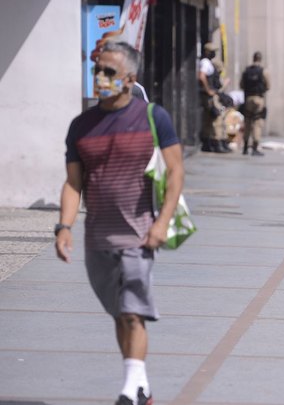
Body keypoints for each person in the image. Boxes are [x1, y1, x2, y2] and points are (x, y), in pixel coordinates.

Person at [55, 41, 184, 404]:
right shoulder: (81, 126)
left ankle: (129, 391)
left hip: (139, 233)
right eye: (97, 70)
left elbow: (175, 172)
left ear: (130, 78)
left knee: (132, 311)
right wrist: (63, 227)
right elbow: (72, 183)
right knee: (119, 314)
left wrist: (161, 223)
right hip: (98, 239)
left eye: (108, 71)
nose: (100, 77)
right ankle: (141, 387)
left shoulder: (152, 117)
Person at [198, 42, 231, 153]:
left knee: (208, 119)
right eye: (212, 51)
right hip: (209, 96)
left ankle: (207, 143)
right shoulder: (205, 63)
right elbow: (201, 76)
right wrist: (208, 90)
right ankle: (217, 143)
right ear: (207, 51)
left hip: (208, 95)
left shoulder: (207, 62)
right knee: (217, 118)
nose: (214, 53)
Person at [240, 51, 270, 156]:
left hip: (248, 99)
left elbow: (241, 85)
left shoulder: (247, 71)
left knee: (247, 122)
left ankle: (245, 147)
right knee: (257, 123)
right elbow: (268, 86)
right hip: (258, 99)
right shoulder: (263, 71)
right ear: (260, 59)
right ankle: (255, 148)